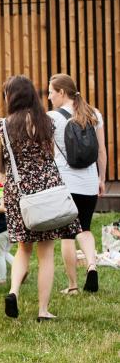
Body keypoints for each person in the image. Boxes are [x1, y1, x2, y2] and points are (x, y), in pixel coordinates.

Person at [0, 75, 81, 321]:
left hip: (19, 193)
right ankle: (43, 310)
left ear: (11, 97)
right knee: (46, 253)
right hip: (47, 190)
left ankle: (13, 292)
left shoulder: (2, 126)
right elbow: (49, 155)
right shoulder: (46, 122)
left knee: (23, 249)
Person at [47, 73, 107, 294]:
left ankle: (72, 286)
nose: (50, 96)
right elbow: (101, 150)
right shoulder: (94, 113)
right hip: (89, 182)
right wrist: (101, 179)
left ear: (62, 92)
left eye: (51, 91)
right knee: (86, 228)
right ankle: (92, 265)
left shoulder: (52, 117)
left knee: (67, 235)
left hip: (66, 183)